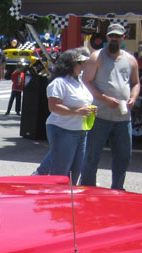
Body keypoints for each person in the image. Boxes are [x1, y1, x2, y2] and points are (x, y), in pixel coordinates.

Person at [79, 23, 140, 190]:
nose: (114, 38)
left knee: (123, 157)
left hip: (123, 117)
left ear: (123, 38)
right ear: (107, 37)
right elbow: (86, 82)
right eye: (111, 35)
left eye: (117, 36)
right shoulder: (97, 57)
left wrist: (133, 98)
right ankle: (87, 189)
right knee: (92, 156)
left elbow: (136, 83)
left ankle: (118, 189)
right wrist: (103, 98)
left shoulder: (130, 60)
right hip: (100, 115)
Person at [35, 49, 95, 184]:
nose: (83, 66)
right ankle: (55, 199)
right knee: (60, 171)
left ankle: (68, 200)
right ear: (70, 64)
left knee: (75, 171)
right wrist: (77, 111)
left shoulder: (79, 82)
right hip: (63, 129)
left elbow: (83, 102)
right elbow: (54, 107)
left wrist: (88, 110)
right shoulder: (59, 82)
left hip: (80, 130)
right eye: (80, 63)